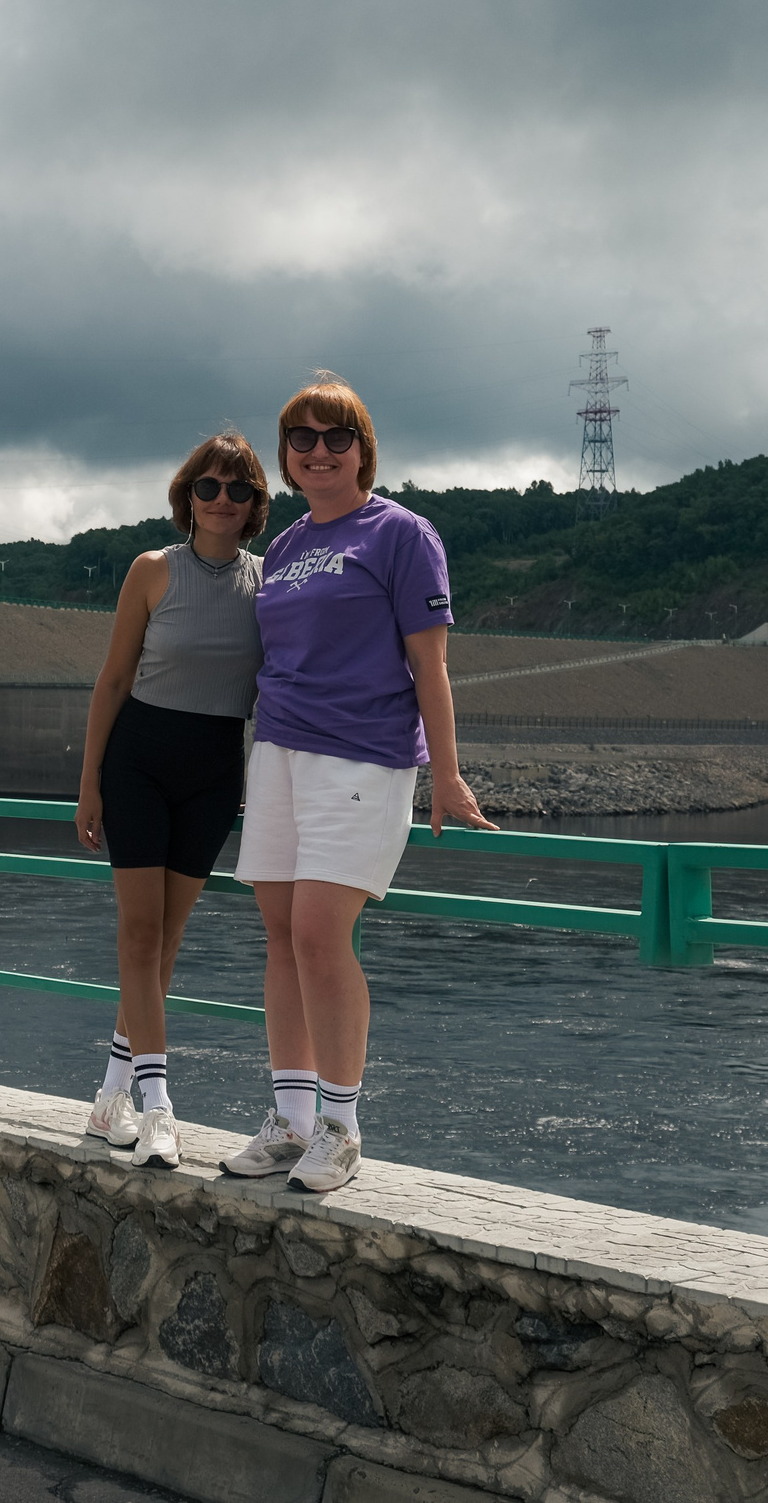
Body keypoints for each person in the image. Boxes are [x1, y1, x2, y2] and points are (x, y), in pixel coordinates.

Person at [219, 373, 495, 1193]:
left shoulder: (403, 534)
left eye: (336, 437)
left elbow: (430, 665)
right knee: (280, 934)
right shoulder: (286, 548)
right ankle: (291, 1120)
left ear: (362, 449)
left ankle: (340, 1126)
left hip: (363, 756)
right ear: (286, 457)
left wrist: (447, 773)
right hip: (279, 753)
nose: (319, 451)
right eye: (301, 439)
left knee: (317, 933)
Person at [74, 431, 269, 1170]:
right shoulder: (152, 570)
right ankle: (157, 1105)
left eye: (237, 489)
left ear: (254, 505)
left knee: (168, 941)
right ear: (188, 495)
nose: (221, 499)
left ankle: (110, 1094)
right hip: (139, 765)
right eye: (208, 486)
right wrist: (89, 783)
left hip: (215, 772)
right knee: (140, 933)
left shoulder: (268, 582)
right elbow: (113, 681)